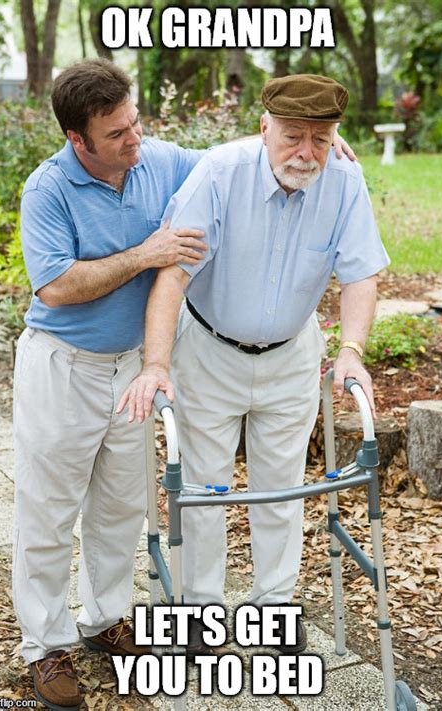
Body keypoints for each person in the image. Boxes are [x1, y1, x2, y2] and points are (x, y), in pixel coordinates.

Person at [14, 59, 354, 708]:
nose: (134, 141)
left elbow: (248, 153)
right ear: (78, 140)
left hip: (132, 368)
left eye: (136, 124)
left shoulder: (156, 159)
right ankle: (45, 642)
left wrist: (316, 138)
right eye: (116, 135)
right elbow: (56, 286)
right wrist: (148, 253)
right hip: (64, 365)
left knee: (119, 508)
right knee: (49, 511)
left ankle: (102, 618)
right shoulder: (47, 190)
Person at [118, 74, 390, 655]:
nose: (306, 153)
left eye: (321, 139)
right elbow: (174, 272)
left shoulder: (343, 179)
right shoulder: (220, 173)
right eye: (293, 136)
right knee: (203, 486)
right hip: (210, 349)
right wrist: (157, 363)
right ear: (263, 128)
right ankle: (201, 613)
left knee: (281, 489)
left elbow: (361, 272)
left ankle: (274, 608)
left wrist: (351, 351)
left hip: (291, 353)